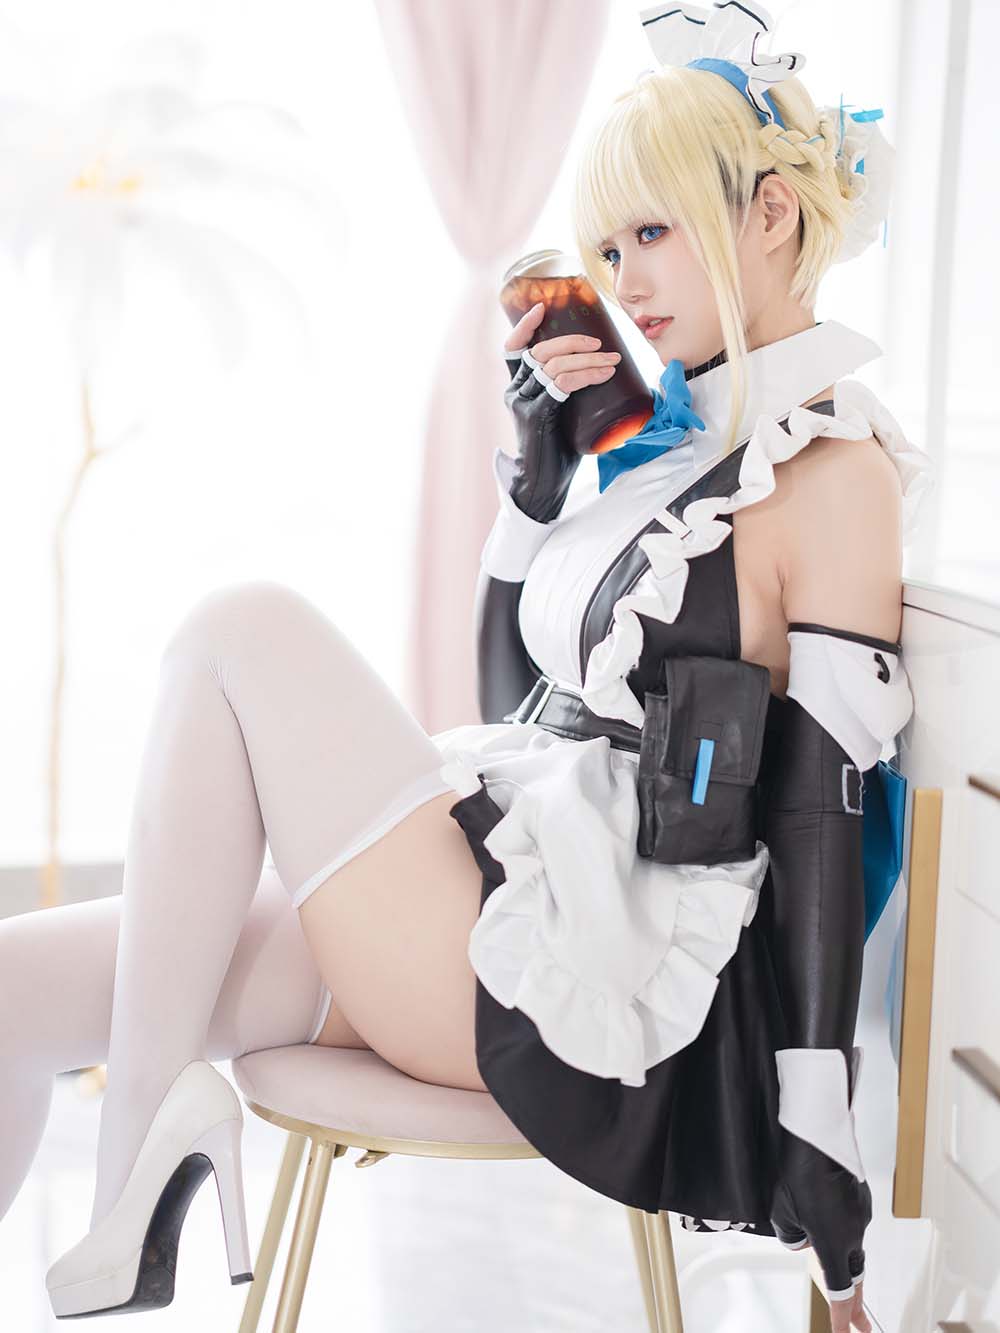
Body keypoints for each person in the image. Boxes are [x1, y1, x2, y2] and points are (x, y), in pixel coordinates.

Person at [0, 5, 932, 1332]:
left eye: (651, 232)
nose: (626, 279)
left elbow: (825, 820)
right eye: (608, 247)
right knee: (10, 991)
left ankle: (134, 1166)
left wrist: (817, 1147)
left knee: (240, 625)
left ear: (771, 213)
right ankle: (153, 1149)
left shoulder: (836, 478)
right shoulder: (669, 451)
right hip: (498, 893)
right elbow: (523, 714)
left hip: (595, 988)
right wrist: (541, 492)